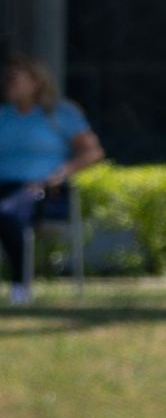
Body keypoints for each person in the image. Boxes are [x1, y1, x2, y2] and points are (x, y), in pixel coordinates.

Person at [0, 53, 104, 305]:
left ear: (36, 83)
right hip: (4, 185)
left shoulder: (60, 114)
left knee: (7, 212)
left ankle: (20, 287)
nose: (9, 83)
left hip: (42, 189)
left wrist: (60, 174)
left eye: (16, 78)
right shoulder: (3, 115)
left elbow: (93, 151)